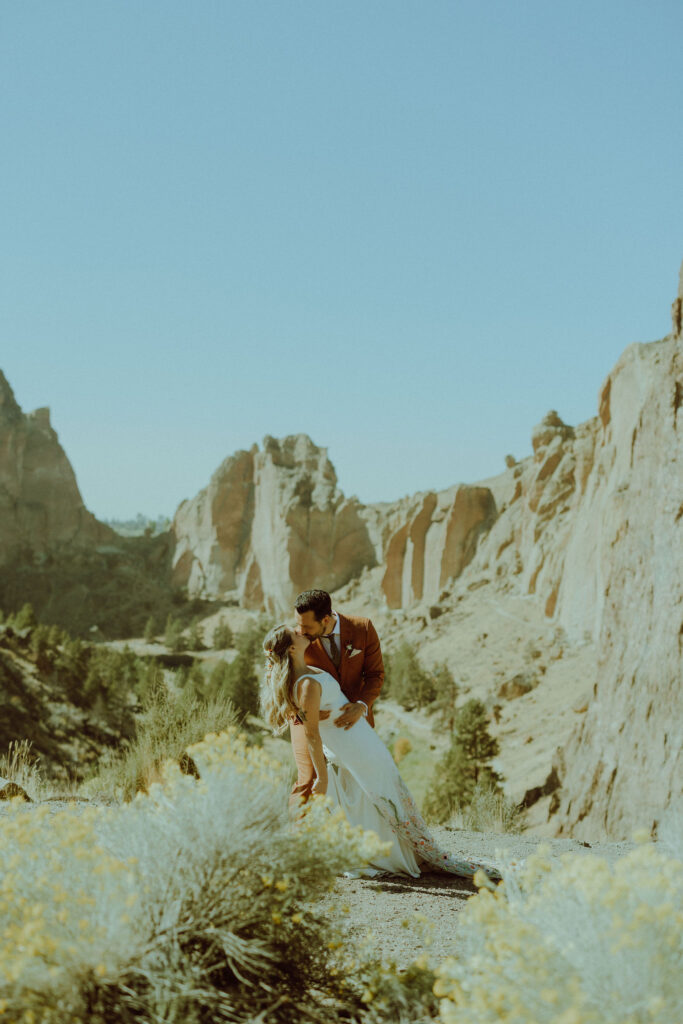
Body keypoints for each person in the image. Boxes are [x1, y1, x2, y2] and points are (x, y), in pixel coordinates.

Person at [261, 622, 501, 881]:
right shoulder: (306, 683)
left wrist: (317, 713)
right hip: (351, 750)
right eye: (295, 633)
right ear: (293, 648)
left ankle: (394, 850)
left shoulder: (311, 673)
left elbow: (313, 711)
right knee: (369, 801)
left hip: (362, 743)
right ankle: (385, 855)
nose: (301, 631)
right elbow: (311, 735)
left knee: (378, 798)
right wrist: (322, 776)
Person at [289, 589, 384, 804]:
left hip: (353, 720)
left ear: (325, 619)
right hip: (308, 721)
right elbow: (278, 679)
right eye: (298, 624)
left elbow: (375, 675)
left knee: (360, 784)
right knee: (309, 780)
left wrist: (361, 705)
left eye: (306, 626)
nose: (300, 631)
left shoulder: (363, 628)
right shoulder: (297, 639)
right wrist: (301, 710)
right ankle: (298, 835)